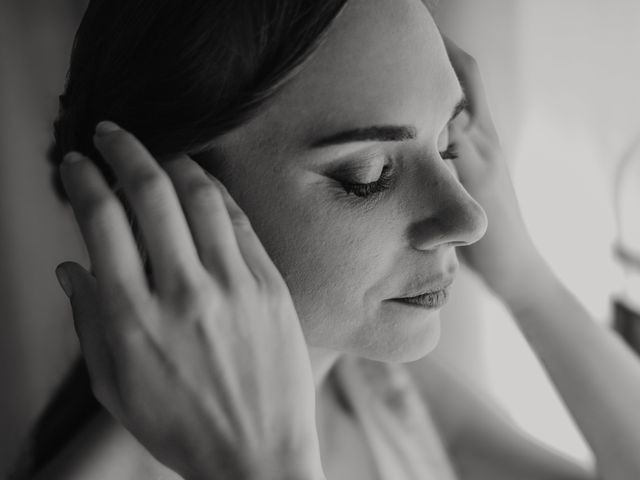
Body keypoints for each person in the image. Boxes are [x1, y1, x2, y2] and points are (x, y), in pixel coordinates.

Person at [13, 0, 640, 478]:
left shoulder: (366, 387)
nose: (471, 218)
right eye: (368, 175)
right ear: (163, 209)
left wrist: (529, 284)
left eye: (446, 145)